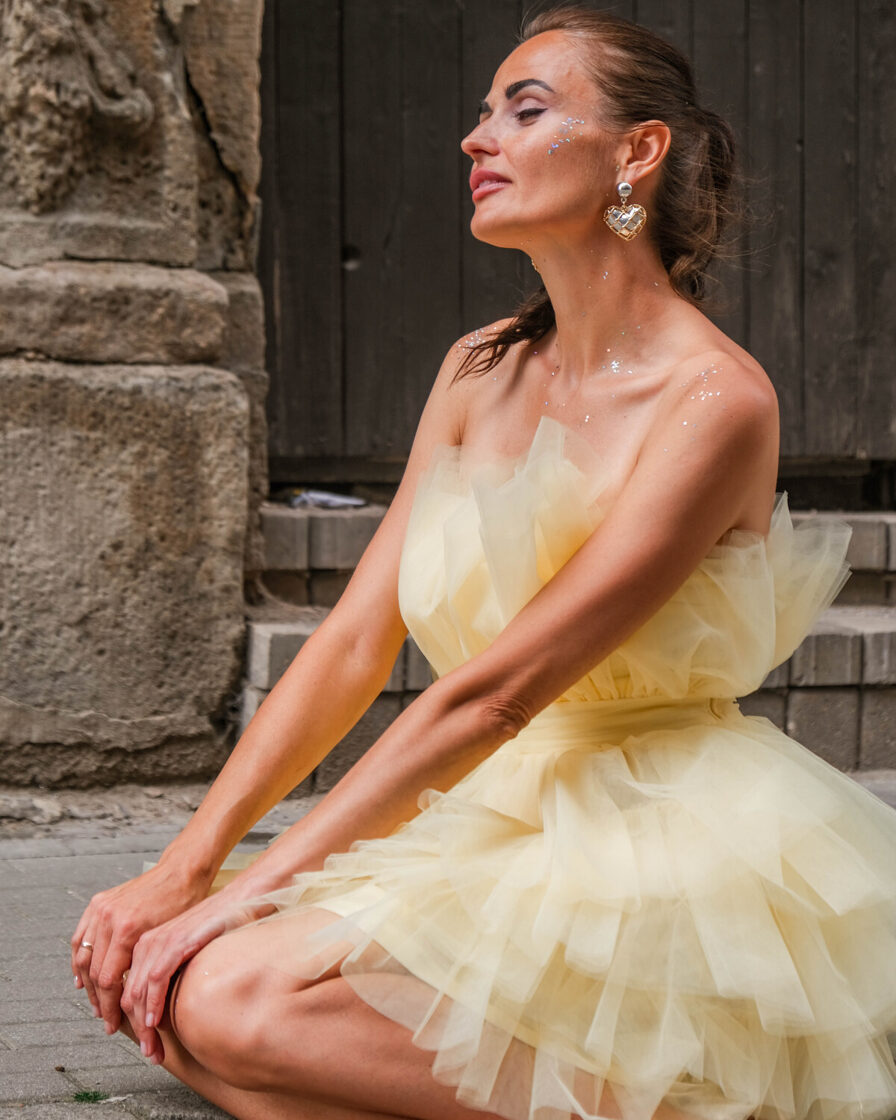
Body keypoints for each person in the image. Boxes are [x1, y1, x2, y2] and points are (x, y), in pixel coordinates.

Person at [72, 7, 896, 1120]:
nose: (477, 136)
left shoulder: (715, 399)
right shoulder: (477, 368)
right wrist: (187, 864)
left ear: (638, 151)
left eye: (525, 108)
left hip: (650, 823)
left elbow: (497, 694)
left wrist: (245, 893)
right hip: (485, 805)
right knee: (170, 995)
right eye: (481, 111)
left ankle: (695, 1103)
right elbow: (353, 642)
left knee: (225, 1003)